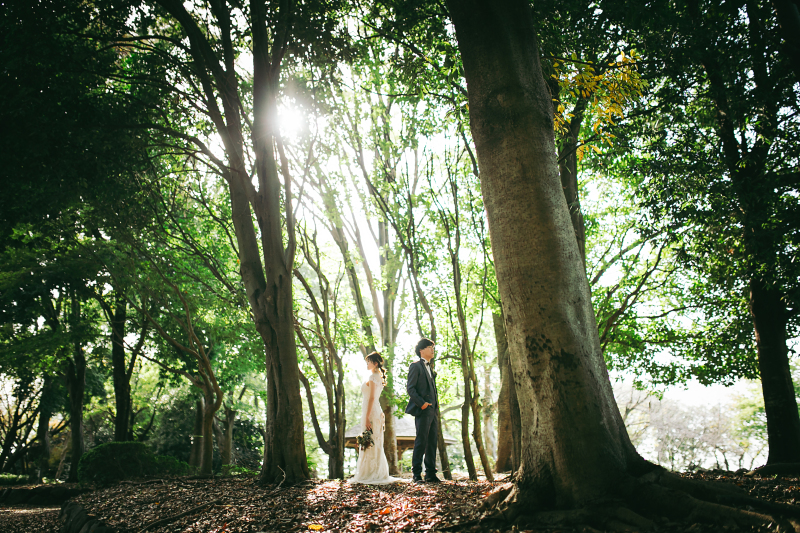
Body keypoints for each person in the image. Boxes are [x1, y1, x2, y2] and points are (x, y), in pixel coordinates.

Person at [349, 352, 399, 484]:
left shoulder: (372, 377)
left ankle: (371, 473)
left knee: (370, 441)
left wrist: (366, 417)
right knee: (374, 441)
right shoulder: (379, 377)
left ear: (375, 363)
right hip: (376, 410)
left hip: (371, 412)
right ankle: (374, 472)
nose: (367, 364)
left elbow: (371, 398)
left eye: (369, 362)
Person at [405, 338, 441, 483]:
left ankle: (431, 474)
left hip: (434, 411)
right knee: (421, 440)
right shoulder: (415, 366)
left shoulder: (430, 368)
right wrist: (423, 404)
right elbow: (411, 389)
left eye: (433, 347)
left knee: (432, 441)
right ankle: (416, 474)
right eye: (429, 347)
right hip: (423, 410)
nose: (432, 350)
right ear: (421, 350)